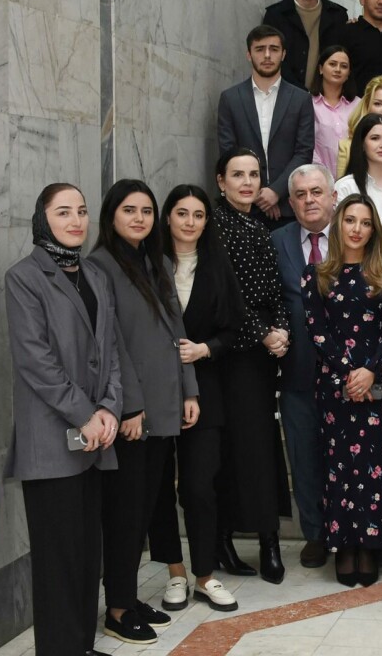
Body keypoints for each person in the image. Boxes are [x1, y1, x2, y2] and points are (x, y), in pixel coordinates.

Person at [6, 184, 120, 656]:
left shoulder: (93, 274)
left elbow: (110, 351)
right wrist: (86, 414)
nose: (76, 221)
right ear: (43, 219)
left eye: (82, 211)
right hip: (52, 440)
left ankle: (81, 646)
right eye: (63, 212)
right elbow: (36, 360)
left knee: (86, 553)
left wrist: (110, 408)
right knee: (57, 558)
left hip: (94, 437)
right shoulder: (24, 277)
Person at [89, 180, 199, 645]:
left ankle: (129, 598)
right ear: (111, 215)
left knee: (146, 508)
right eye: (129, 210)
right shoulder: (100, 266)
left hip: (165, 406)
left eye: (147, 211)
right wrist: (129, 407)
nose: (139, 218)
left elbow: (177, 330)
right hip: (133, 415)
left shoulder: (154, 261)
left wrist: (189, 390)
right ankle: (117, 608)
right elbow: (110, 343)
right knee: (125, 514)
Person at [148, 184, 246, 614]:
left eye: (199, 215)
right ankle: (175, 572)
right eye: (182, 213)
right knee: (157, 487)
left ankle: (204, 574)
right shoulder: (148, 264)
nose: (190, 222)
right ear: (168, 217)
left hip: (205, 391)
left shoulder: (217, 264)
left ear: (207, 222)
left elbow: (234, 328)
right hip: (154, 390)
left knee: (199, 486)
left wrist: (205, 349)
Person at [303, 193, 382, 587]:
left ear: (374, 230)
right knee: (340, 468)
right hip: (335, 386)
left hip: (378, 386)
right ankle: (344, 545)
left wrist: (370, 371)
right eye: (350, 221)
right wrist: (350, 373)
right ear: (338, 225)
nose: (357, 229)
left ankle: (371, 544)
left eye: (365, 223)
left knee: (376, 467)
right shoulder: (317, 275)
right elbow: (317, 332)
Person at [213, 148, 292, 585]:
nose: (247, 182)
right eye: (237, 175)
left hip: (262, 354)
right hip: (233, 353)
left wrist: (281, 330)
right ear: (220, 181)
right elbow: (226, 295)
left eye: (254, 174)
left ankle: (265, 538)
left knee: (261, 447)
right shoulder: (215, 225)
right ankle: (243, 540)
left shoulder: (259, 223)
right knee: (243, 449)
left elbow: (275, 289)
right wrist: (263, 333)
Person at [271, 165, 337, 572]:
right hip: (297, 372)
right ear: (291, 202)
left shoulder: (354, 234)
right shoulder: (276, 241)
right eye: (300, 194)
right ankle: (315, 533)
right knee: (304, 457)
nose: (309, 199)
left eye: (316, 191)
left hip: (348, 372)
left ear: (333, 196)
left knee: (349, 456)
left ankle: (353, 532)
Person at [217, 25, 315, 226]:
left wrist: (276, 191)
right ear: (249, 54)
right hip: (244, 206)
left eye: (274, 49)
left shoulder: (301, 99)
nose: (267, 55)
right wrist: (259, 193)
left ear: (283, 54)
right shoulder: (230, 98)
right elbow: (228, 152)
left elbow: (304, 152)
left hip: (287, 208)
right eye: (260, 49)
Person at [263, 0, 349, 91]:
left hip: (326, 95)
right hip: (285, 93)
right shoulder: (276, 15)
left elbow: (343, 55)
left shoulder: (337, 14)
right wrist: (298, 92)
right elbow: (271, 57)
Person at [310, 46, 361, 171]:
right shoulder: (307, 103)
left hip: (353, 175)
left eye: (344, 66)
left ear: (348, 73)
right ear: (320, 69)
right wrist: (322, 174)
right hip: (317, 175)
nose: (338, 69)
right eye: (332, 64)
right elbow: (305, 145)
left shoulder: (358, 104)